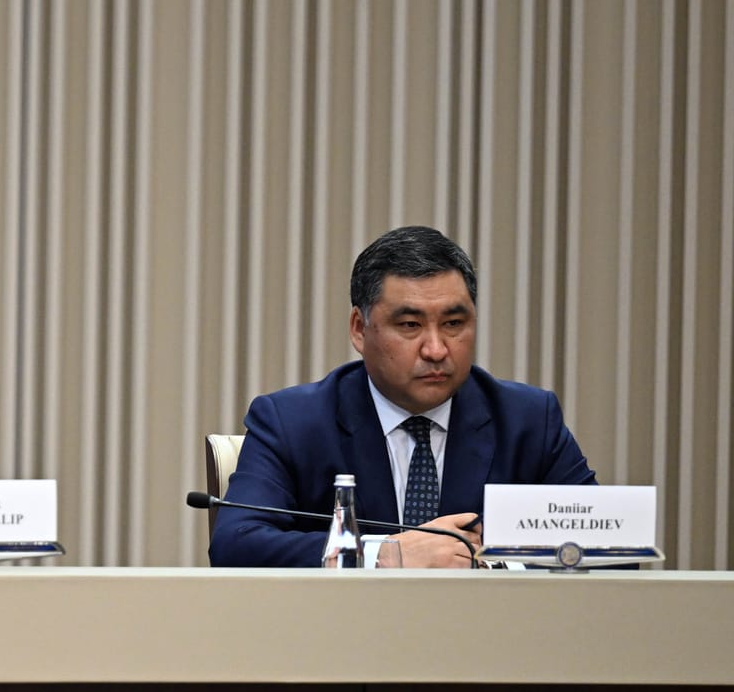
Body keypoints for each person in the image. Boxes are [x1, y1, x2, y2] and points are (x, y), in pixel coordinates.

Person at [211, 225, 597, 568]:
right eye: (410, 325)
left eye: (453, 323)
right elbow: (236, 544)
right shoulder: (293, 421)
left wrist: (496, 563)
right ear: (360, 329)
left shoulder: (528, 421)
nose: (436, 349)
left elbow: (609, 550)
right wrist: (384, 554)